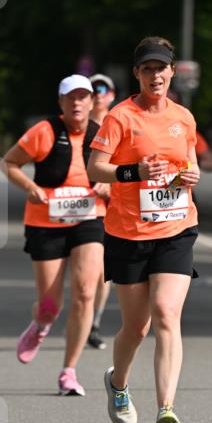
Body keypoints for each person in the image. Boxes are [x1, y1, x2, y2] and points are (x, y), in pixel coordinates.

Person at [88, 36, 201, 423]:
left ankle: (166, 410)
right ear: (137, 74)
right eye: (148, 69)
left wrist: (191, 175)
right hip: (128, 232)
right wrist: (133, 171)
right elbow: (95, 167)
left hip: (176, 227)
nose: (156, 75)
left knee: (167, 314)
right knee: (136, 328)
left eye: (162, 68)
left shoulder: (184, 117)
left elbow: (189, 162)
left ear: (173, 71)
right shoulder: (120, 117)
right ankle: (118, 383)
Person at [1, 75, 109, 396]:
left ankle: (69, 371)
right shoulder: (44, 131)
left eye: (82, 97)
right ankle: (41, 324)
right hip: (46, 219)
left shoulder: (103, 135)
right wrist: (30, 187)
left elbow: (121, 170)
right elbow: (9, 163)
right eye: (70, 98)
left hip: (90, 217)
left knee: (87, 291)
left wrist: (109, 183)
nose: (77, 103)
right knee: (50, 304)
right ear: (60, 103)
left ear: (92, 102)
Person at [87, 73, 117, 350]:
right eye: (92, 89)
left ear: (112, 94)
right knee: (85, 273)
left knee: (101, 273)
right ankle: (79, 315)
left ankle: (93, 323)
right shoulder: (76, 126)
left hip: (111, 207)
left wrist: (111, 184)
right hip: (78, 206)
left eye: (103, 88)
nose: (98, 93)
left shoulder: (118, 122)